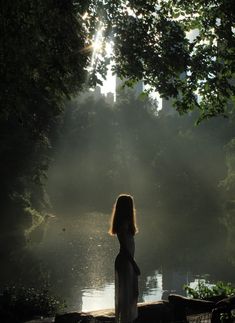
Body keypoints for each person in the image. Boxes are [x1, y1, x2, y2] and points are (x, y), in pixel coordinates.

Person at [109, 194, 140, 323]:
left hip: (127, 262)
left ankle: (127, 319)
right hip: (125, 262)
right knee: (126, 295)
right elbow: (125, 247)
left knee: (131, 293)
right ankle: (125, 320)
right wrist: (134, 264)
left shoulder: (126, 223)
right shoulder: (123, 225)